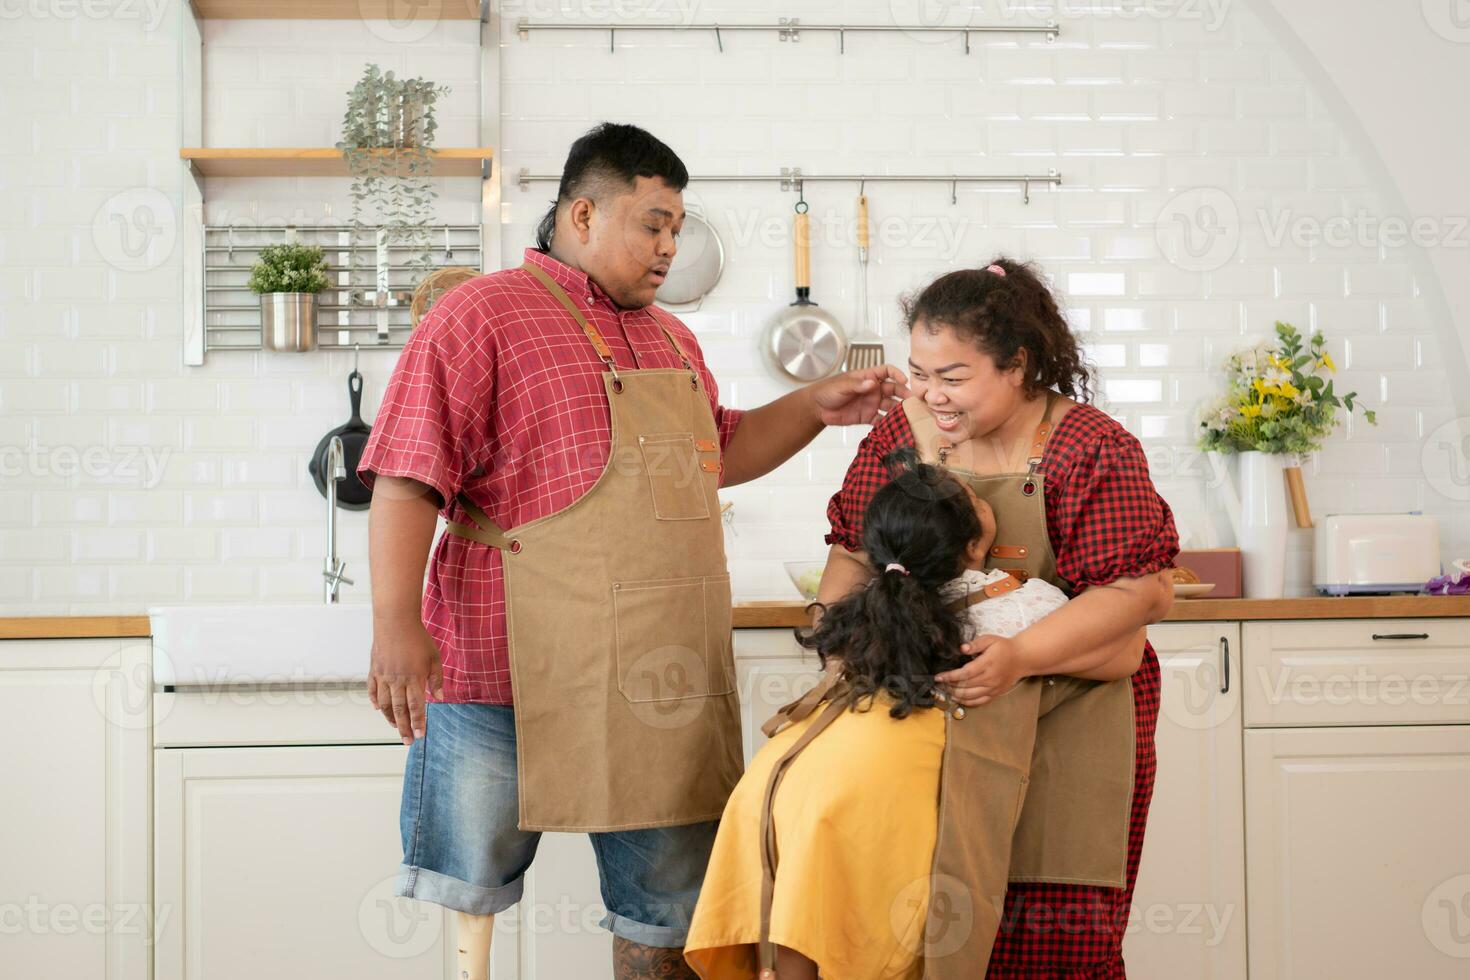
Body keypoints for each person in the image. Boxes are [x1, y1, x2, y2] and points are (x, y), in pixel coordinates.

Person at [357, 122, 909, 980]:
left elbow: (715, 451)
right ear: (583, 214)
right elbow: (405, 477)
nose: (669, 247)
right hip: (499, 666)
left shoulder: (670, 339)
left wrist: (813, 405)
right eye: (653, 223)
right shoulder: (480, 313)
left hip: (659, 675)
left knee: (672, 914)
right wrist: (395, 623)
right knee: (471, 895)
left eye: (678, 228)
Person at [819, 256, 1179, 977]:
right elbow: (855, 552)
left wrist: (1018, 658)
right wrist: (840, 652)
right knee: (933, 931)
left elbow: (1137, 594)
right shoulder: (901, 434)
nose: (931, 395)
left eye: (953, 378)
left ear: (1018, 366)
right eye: (919, 373)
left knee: (1052, 931)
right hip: (932, 734)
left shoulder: (1090, 449)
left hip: (1068, 731)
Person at [684, 446, 1147, 979]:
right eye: (974, 494)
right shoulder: (1013, 599)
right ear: (974, 547)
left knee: (798, 915)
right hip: (877, 780)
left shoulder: (864, 603)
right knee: (859, 927)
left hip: (782, 773)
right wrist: (1022, 658)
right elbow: (1125, 650)